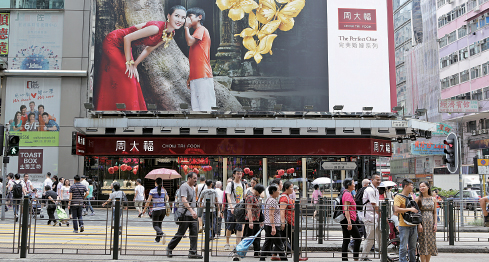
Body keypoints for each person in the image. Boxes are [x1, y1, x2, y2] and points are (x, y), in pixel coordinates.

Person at [94, 5, 187, 111]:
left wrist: (135, 64)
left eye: (183, 17)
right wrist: (129, 62)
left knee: (133, 76)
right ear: (168, 16)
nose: (180, 20)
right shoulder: (155, 28)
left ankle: (127, 109)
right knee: (126, 74)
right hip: (114, 42)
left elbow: (149, 49)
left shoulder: (170, 33)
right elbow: (127, 38)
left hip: (126, 47)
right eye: (177, 16)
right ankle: (123, 109)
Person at [184, 7, 216, 111]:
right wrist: (190, 76)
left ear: (199, 17)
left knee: (205, 107)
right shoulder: (196, 32)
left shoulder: (201, 29)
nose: (187, 19)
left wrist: (186, 28)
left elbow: (189, 42)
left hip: (203, 75)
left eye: (190, 16)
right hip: (196, 76)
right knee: (196, 108)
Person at [167, 172, 202, 259]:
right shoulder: (184, 187)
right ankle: (169, 248)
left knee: (194, 233)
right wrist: (191, 210)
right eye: (194, 178)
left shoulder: (193, 187)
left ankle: (192, 252)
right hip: (185, 214)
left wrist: (195, 211)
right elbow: (184, 199)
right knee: (180, 233)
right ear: (189, 178)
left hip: (193, 215)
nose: (195, 180)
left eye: (196, 178)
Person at [394, 179, 419, 262]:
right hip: (404, 225)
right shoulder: (398, 197)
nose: (412, 187)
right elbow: (396, 209)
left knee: (412, 247)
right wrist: (410, 209)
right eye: (411, 185)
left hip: (413, 224)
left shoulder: (410, 196)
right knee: (403, 247)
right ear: (406, 186)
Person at [260, 184, 287, 261]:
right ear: (273, 191)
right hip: (272, 225)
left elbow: (266, 213)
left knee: (268, 242)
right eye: (278, 190)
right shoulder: (272, 201)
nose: (279, 192)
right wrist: (273, 227)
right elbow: (271, 214)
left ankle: (262, 258)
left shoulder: (268, 199)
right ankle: (284, 259)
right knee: (279, 244)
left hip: (268, 224)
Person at [359, 175, 381, 261]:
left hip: (374, 217)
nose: (379, 181)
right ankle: (363, 257)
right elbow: (374, 204)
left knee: (380, 237)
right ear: (372, 180)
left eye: (380, 180)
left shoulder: (375, 189)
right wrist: (381, 215)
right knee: (370, 239)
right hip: (369, 217)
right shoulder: (370, 190)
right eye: (377, 180)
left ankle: (383, 254)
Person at [224, 168, 246, 250]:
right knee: (229, 226)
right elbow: (228, 196)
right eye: (237, 173)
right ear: (234, 175)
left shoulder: (243, 184)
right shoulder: (230, 184)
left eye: (240, 173)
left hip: (240, 209)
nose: (239, 175)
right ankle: (227, 242)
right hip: (231, 209)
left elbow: (244, 197)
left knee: (239, 227)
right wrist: (231, 206)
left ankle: (238, 245)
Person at [141, 178, 168, 243]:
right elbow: (167, 198)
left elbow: (148, 201)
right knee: (159, 224)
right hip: (163, 209)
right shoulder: (164, 190)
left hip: (156, 210)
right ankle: (157, 239)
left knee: (155, 225)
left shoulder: (152, 191)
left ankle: (161, 234)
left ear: (155, 182)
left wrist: (144, 209)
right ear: (161, 183)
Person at [341, 178, 361, 261]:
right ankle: (355, 258)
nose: (354, 184)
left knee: (346, 239)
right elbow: (346, 208)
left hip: (347, 218)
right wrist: (349, 222)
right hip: (348, 218)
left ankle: (344, 258)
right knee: (358, 238)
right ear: (349, 185)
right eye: (353, 183)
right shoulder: (348, 194)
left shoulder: (346, 193)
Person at [416, 182, 437, 262]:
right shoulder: (418, 199)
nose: (422, 188)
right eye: (420, 186)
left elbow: (434, 212)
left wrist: (435, 224)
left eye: (423, 186)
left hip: (430, 224)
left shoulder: (433, 199)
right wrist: (419, 224)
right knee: (422, 243)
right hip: (422, 223)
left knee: (430, 244)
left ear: (428, 187)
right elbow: (417, 213)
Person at [244, 183, 265, 258]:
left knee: (257, 237)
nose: (260, 193)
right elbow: (249, 209)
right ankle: (241, 251)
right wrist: (250, 222)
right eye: (260, 191)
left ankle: (257, 252)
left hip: (256, 220)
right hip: (251, 220)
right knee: (247, 237)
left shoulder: (256, 197)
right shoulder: (250, 196)